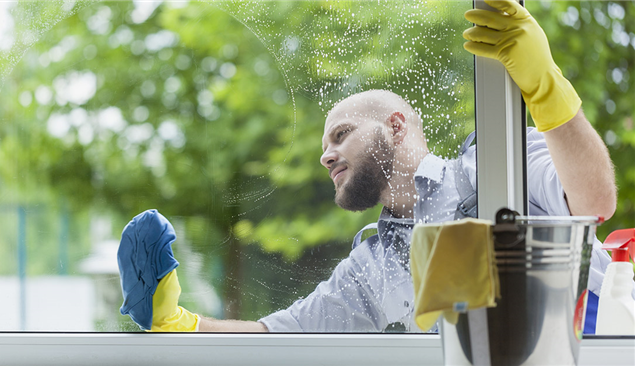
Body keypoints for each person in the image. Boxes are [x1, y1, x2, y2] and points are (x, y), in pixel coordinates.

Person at [118, 0, 626, 333]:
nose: (325, 155)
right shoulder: (369, 268)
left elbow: (595, 200)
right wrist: (177, 321)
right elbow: (276, 338)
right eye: (324, 145)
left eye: (341, 134)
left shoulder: (495, 165)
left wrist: (545, 85)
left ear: (397, 126)